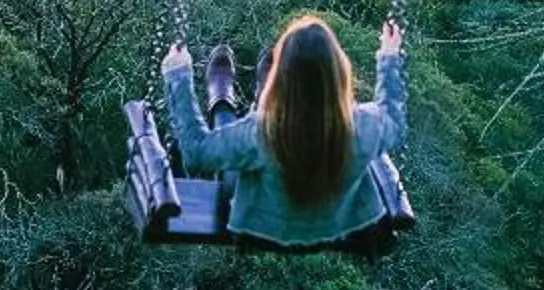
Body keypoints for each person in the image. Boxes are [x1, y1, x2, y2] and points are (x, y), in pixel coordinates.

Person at [160, 14, 415, 255]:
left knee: (232, 153)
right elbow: (393, 117)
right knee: (254, 139)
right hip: (340, 224)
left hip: (262, 229)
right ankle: (260, 91)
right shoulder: (365, 126)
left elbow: (197, 153)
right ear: (341, 72)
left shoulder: (262, 132)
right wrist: (390, 55)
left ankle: (222, 96)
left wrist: (178, 76)